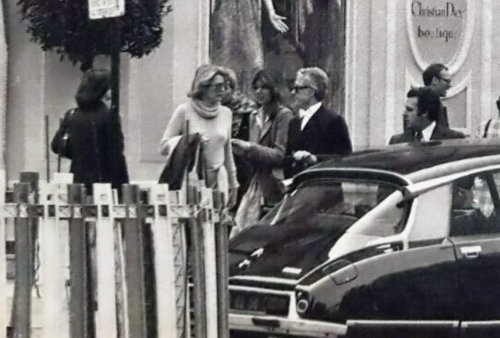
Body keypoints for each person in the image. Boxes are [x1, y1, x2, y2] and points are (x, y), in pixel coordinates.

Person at [159, 64, 239, 207]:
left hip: (219, 182)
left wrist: (234, 183)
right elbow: (163, 146)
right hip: (192, 181)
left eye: (224, 86)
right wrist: (190, 141)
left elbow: (227, 151)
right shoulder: (184, 111)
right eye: (217, 86)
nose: (223, 90)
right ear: (203, 87)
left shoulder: (226, 113)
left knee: (218, 226)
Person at [231, 70, 293, 235]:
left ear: (274, 89)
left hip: (273, 184)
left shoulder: (283, 115)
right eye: (256, 88)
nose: (259, 92)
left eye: (264, 87)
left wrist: (250, 148)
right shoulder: (253, 116)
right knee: (242, 231)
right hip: (254, 183)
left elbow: (279, 154)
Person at [51, 68, 129, 195]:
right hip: (104, 185)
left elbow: (56, 146)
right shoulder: (109, 116)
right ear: (103, 90)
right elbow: (116, 154)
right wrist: (122, 188)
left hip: (77, 182)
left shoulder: (71, 115)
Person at [284, 67, 352, 178]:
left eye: (297, 88)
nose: (292, 92)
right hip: (296, 189)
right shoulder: (294, 123)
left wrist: (315, 159)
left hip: (322, 188)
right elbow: (288, 160)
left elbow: (344, 159)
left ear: (310, 91)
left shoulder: (334, 121)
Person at [389, 87, 465, 144]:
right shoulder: (396, 141)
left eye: (409, 110)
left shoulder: (454, 139)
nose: (404, 113)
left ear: (425, 112)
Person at [422, 63, 452, 128]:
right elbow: (440, 134)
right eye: (447, 81)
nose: (450, 85)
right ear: (435, 80)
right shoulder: (424, 104)